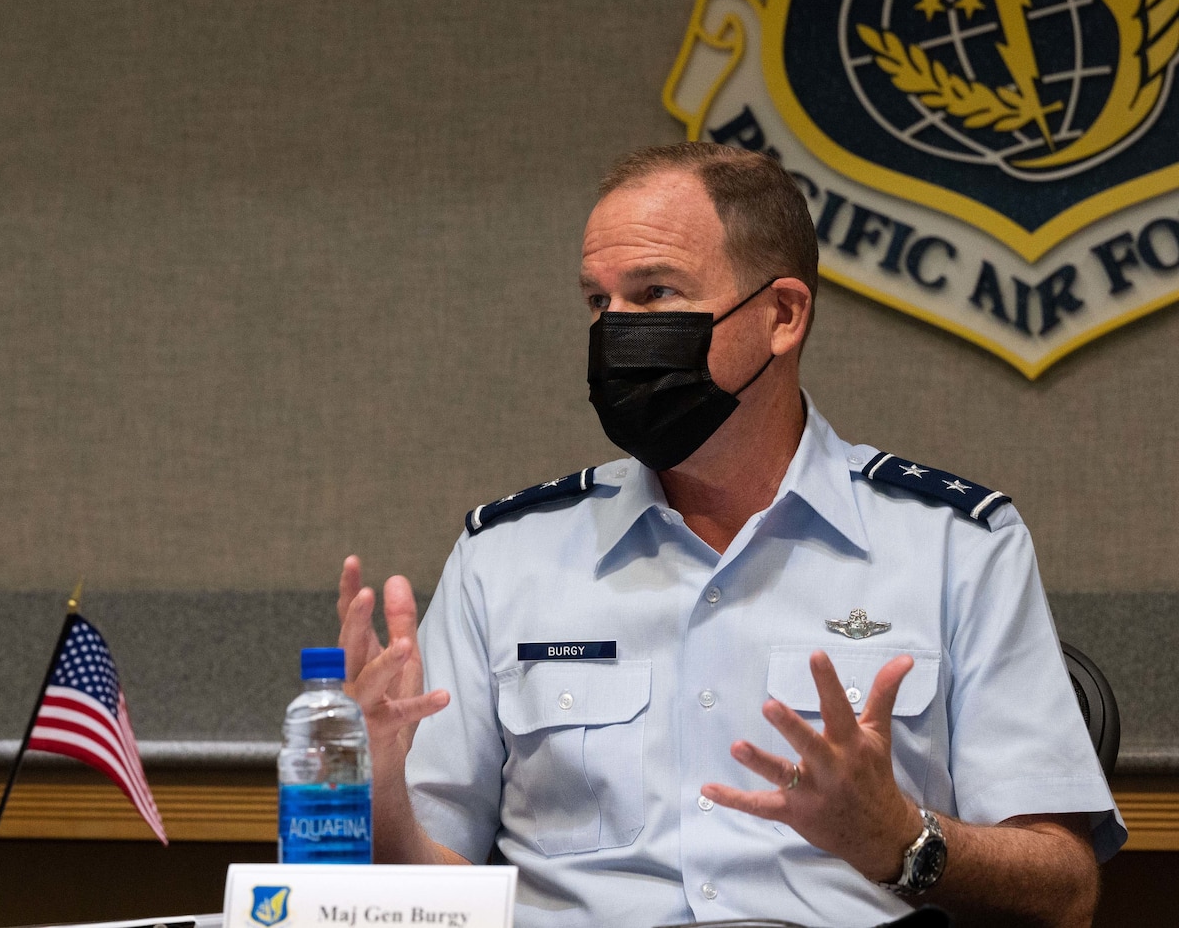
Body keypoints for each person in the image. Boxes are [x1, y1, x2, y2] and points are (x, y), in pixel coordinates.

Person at [338, 144, 1118, 927]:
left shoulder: (958, 547)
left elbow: (1066, 888)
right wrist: (377, 799)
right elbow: (428, 889)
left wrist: (901, 841)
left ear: (782, 315)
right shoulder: (504, 558)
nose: (616, 332)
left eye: (654, 293)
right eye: (598, 303)